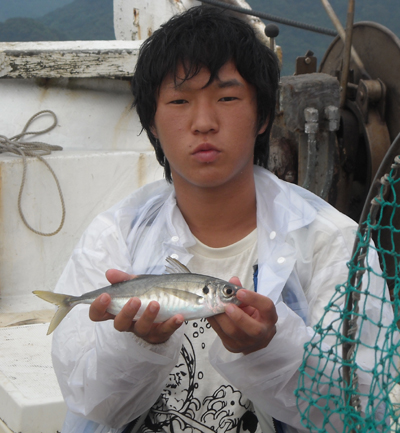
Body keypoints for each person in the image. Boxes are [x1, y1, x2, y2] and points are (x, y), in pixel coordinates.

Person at [51, 6, 393, 433]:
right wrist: (136, 344)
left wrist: (271, 348)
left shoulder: (332, 242)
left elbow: (364, 408)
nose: (204, 123)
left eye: (228, 98)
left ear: (264, 115)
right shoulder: (114, 237)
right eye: (179, 101)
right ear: (152, 124)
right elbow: (90, 401)